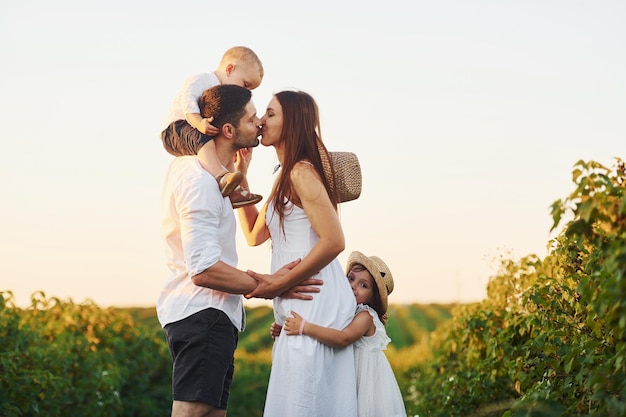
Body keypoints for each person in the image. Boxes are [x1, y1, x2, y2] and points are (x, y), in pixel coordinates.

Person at [157, 84, 321, 417]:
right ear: (229, 130)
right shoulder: (200, 182)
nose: (259, 122)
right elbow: (203, 269)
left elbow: (249, 231)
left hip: (213, 316)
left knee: (213, 414)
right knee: (192, 413)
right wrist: (268, 285)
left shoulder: (214, 180)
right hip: (203, 313)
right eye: (252, 118)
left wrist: (240, 174)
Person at [237, 90, 358, 416]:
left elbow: (333, 240)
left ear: (294, 122)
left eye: (271, 114)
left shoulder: (301, 173)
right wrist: (241, 179)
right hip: (297, 307)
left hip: (315, 302)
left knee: (307, 403)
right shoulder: (283, 175)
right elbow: (253, 235)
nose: (261, 120)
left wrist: (277, 284)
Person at [277, 251, 408, 417]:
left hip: (365, 383)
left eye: (363, 285)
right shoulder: (345, 311)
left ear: (372, 298)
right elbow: (327, 329)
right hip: (347, 375)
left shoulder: (365, 316)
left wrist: (304, 327)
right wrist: (285, 328)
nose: (353, 286)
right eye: (351, 278)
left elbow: (342, 338)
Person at [160, 46, 263, 208]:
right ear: (230, 69)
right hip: (177, 128)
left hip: (195, 128)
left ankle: (234, 191)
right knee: (204, 140)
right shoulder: (203, 79)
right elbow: (188, 101)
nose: (244, 91)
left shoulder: (220, 90)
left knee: (228, 149)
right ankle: (221, 176)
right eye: (245, 84)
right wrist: (199, 122)